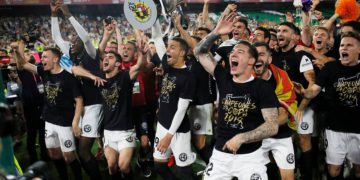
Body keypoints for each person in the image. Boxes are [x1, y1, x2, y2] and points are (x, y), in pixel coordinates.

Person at [194, 13, 279, 180]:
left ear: (251, 61)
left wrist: (241, 138)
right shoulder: (223, 77)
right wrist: (216, 32)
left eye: (240, 51)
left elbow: (272, 126)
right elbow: (199, 52)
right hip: (220, 155)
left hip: (251, 157)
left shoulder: (262, 88)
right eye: (232, 51)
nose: (233, 54)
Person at [293, 32, 360, 180]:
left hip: (358, 129)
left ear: (359, 50)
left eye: (350, 45)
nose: (344, 48)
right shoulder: (330, 68)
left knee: (358, 170)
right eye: (342, 45)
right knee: (333, 170)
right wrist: (304, 92)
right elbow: (313, 91)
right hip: (334, 128)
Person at [12, 41, 83, 180]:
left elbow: (79, 100)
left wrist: (75, 122)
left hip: (64, 122)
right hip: (49, 120)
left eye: (45, 57)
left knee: (69, 157)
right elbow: (23, 65)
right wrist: (16, 51)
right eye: (42, 56)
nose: (41, 59)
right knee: (53, 154)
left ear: (55, 59)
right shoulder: (44, 71)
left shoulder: (68, 77)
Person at [50, 2, 105, 179]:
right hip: (79, 107)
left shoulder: (90, 52)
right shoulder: (70, 55)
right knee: (78, 149)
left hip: (94, 105)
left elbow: (86, 37)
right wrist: (53, 15)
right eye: (72, 38)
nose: (73, 40)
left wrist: (67, 14)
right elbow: (57, 39)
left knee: (83, 150)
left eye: (76, 38)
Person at [95, 38, 147, 179]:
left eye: (110, 57)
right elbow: (75, 69)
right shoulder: (99, 79)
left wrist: (142, 54)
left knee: (123, 166)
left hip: (125, 131)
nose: (106, 59)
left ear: (118, 64)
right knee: (111, 166)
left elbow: (139, 66)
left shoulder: (124, 76)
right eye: (105, 57)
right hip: (108, 131)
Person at [152, 18, 197, 179]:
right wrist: (153, 18)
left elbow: (182, 109)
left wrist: (169, 135)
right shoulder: (167, 65)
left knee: (184, 172)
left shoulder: (188, 77)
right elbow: (157, 38)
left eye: (172, 47)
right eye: (168, 46)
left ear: (182, 53)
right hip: (162, 125)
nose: (167, 49)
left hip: (178, 131)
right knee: (159, 166)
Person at [272, 21, 316, 180]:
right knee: (281, 140)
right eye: (278, 31)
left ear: (295, 36)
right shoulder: (274, 55)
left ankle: (307, 175)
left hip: (301, 105)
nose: (279, 34)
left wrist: (302, 106)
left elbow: (311, 82)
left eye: (284, 30)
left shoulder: (301, 55)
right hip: (280, 107)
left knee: (303, 139)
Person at [254, 42, 297, 180]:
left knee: (288, 178)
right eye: (254, 54)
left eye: (261, 54)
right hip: (255, 137)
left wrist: (266, 127)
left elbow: (284, 113)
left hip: (280, 134)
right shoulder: (243, 79)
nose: (257, 58)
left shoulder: (281, 77)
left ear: (269, 59)